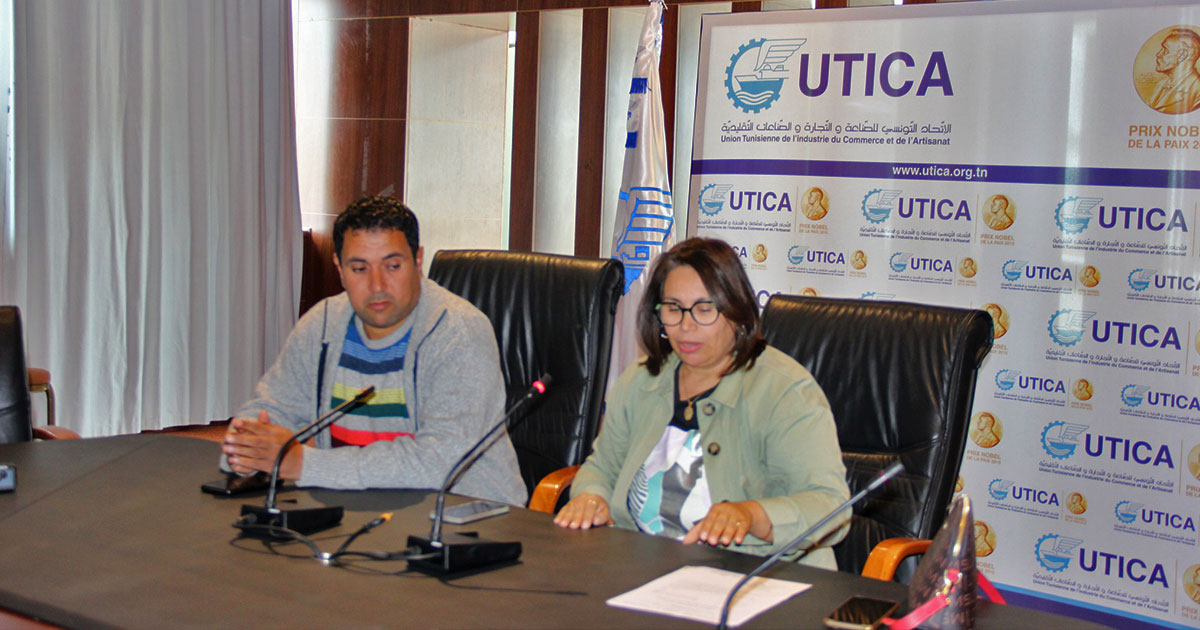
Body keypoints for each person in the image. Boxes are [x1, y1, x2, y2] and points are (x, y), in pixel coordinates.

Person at [553, 238, 850, 569]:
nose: (686, 325)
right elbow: (603, 467)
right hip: (643, 568)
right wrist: (591, 496)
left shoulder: (786, 391)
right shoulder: (641, 380)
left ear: (736, 312)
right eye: (673, 308)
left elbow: (831, 507)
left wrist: (753, 514)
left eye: (704, 309)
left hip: (757, 575)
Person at [220, 196, 526, 505]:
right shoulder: (322, 325)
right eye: (359, 268)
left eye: (393, 266)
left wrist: (304, 464)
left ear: (418, 260)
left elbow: (440, 461)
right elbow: (272, 407)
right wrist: (246, 448)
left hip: (464, 516)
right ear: (340, 268)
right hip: (355, 508)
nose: (377, 285)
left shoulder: (458, 332)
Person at [1150, 28, 1200, 115]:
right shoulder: (1161, 85)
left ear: (1182, 55)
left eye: (1165, 50)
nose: (1158, 54)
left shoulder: (1197, 90)